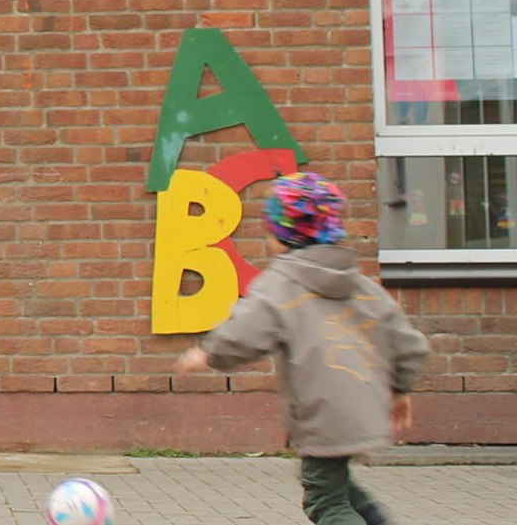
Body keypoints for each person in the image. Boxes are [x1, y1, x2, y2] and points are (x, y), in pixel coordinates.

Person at [175, 172, 431, 525]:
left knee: (325, 501)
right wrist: (400, 389)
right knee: (336, 485)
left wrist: (207, 353)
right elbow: (408, 343)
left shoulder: (281, 284)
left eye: (269, 231)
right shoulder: (361, 284)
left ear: (284, 237)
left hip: (322, 415)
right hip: (365, 406)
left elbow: (247, 329)